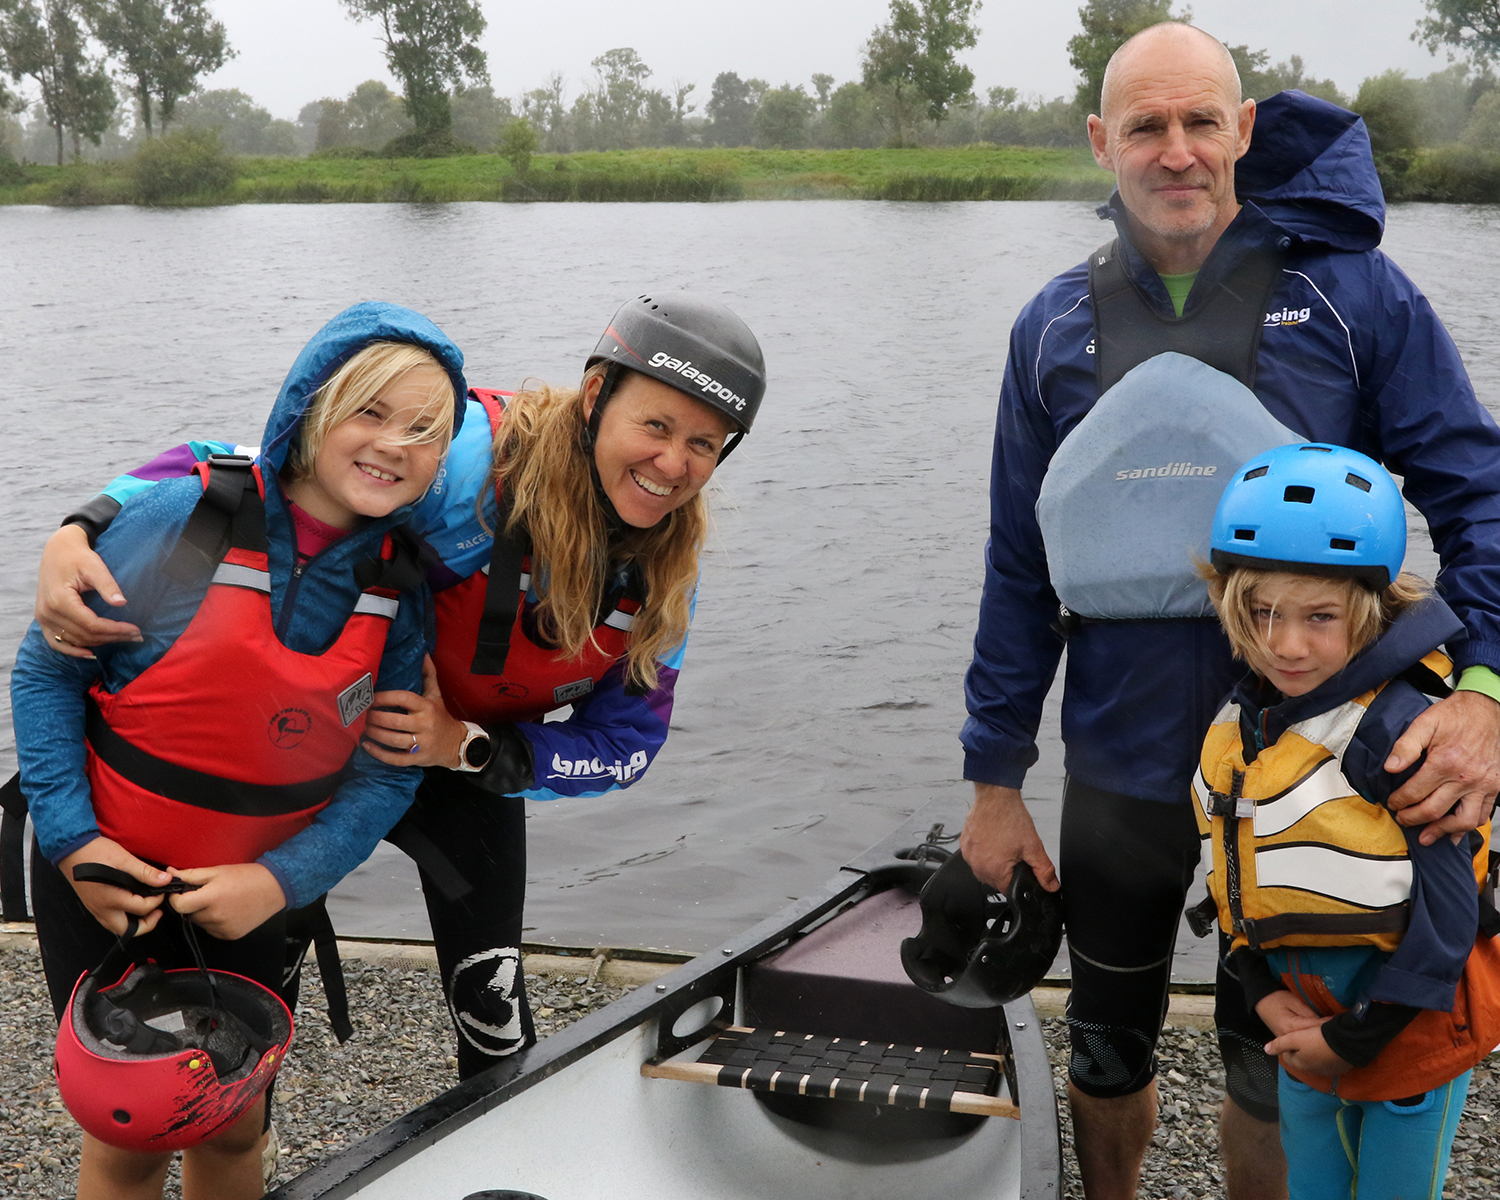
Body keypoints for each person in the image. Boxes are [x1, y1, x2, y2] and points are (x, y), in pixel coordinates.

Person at [957, 22, 1500, 1200]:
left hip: (1318, 772)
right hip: (1123, 765)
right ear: (1103, 142)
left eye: (1203, 120)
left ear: (1244, 131)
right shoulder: (1051, 325)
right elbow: (1016, 561)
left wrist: (1488, 699)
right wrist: (995, 782)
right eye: (1146, 125)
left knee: (1278, 1063)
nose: (1177, 150)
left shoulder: (1352, 294)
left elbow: (1479, 494)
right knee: (1105, 1047)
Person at [30, 292, 768, 1081]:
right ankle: (246, 1126)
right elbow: (268, 458)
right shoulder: (472, 460)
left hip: (459, 767)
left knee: (492, 1005)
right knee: (256, 1004)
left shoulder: (662, 578)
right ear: (595, 397)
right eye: (654, 426)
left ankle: (490, 1140)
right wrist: (81, 527)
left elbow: (627, 745)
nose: (674, 464)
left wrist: (472, 746)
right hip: (315, 747)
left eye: (705, 444)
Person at [10, 302, 464, 1200]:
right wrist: (72, 843)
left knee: (232, 1122)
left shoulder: (399, 594)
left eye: (423, 431)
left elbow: (382, 776)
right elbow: (43, 677)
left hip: (258, 902)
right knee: (130, 1126)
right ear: (310, 411)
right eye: (370, 413)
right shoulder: (185, 522)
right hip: (102, 881)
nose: (393, 446)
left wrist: (282, 882)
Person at [1195, 442, 1500, 1200]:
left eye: (1320, 617)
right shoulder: (1249, 729)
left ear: (1370, 613)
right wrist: (1257, 985)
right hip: (1300, 1018)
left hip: (1403, 1022)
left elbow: (1449, 916)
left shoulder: (1398, 735)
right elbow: (1236, 871)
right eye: (1262, 612)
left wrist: (1353, 1037)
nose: (1285, 643)